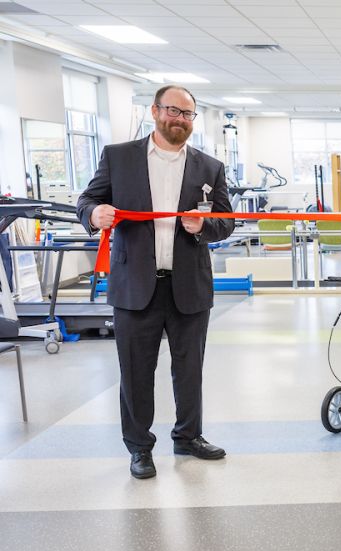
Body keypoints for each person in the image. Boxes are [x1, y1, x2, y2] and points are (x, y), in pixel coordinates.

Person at [76, 85, 235, 480]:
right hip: (135, 285)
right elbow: (86, 201)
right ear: (155, 111)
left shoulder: (209, 167)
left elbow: (227, 221)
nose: (179, 119)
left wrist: (204, 226)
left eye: (187, 114)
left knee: (190, 369)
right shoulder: (118, 158)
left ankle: (188, 436)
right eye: (172, 111)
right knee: (135, 372)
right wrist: (94, 215)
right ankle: (139, 448)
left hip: (189, 285)